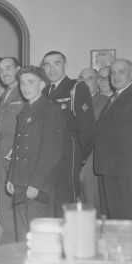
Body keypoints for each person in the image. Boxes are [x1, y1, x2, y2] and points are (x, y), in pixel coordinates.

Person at [7, 66, 65, 240]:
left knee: (39, 234)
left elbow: (52, 152)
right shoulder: (24, 111)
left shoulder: (51, 110)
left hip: (37, 184)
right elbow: (18, 147)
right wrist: (11, 177)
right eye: (22, 83)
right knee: (22, 234)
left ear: (42, 84)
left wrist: (36, 184)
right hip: (20, 182)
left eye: (30, 82)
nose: (25, 87)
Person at [42, 51, 95, 215]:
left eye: (56, 63)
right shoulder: (44, 92)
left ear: (65, 65)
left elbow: (87, 128)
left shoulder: (76, 87)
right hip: (48, 157)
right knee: (49, 206)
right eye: (47, 65)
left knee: (66, 205)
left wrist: (80, 156)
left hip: (68, 156)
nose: (52, 69)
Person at [94, 59, 132, 245]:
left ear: (131, 73)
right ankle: (121, 257)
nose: (116, 76)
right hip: (110, 168)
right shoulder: (115, 97)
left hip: (127, 170)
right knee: (115, 218)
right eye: (113, 72)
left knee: (130, 218)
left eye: (121, 72)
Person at [0, 57, 25, 243]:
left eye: (8, 68)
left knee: (19, 206)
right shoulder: (5, 94)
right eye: (1, 70)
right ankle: (9, 249)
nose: (4, 73)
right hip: (1, 156)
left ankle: (22, 248)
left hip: (15, 155)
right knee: (5, 205)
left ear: (18, 69)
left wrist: (16, 150)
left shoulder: (24, 92)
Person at [77, 67, 110, 212]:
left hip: (93, 164)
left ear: (97, 82)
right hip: (73, 163)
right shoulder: (73, 102)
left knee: (93, 207)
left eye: (89, 78)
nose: (85, 82)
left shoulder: (106, 102)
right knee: (74, 208)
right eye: (81, 79)